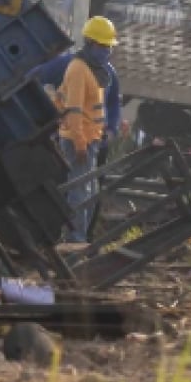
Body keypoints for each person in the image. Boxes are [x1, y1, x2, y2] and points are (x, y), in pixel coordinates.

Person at [48, 16, 119, 243]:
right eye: (103, 46)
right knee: (80, 191)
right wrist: (79, 142)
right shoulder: (78, 69)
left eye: (109, 46)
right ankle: (75, 238)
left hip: (91, 140)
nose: (107, 51)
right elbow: (75, 110)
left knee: (88, 191)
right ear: (90, 44)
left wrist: (106, 131)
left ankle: (79, 236)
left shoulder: (95, 70)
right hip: (79, 141)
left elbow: (95, 107)